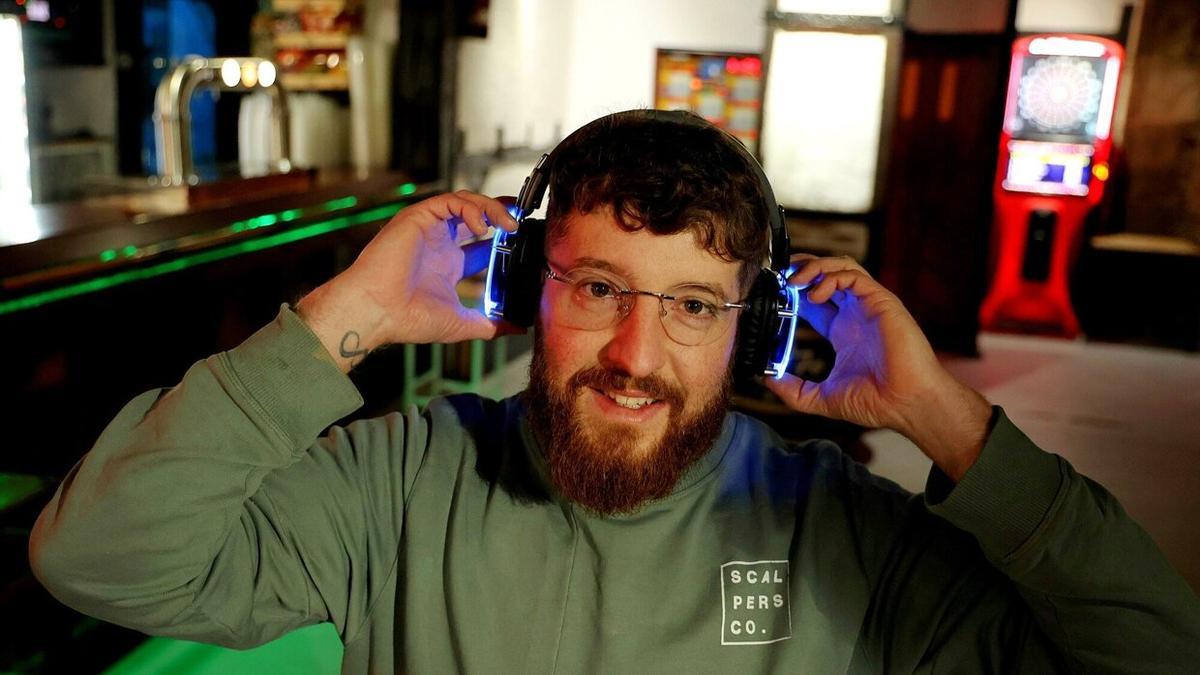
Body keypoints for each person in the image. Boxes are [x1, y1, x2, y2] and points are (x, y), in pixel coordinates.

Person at [29, 110, 1200, 673]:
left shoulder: (843, 537)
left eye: (693, 304)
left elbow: (1153, 655)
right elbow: (100, 558)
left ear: (753, 333)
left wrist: (942, 419)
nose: (637, 353)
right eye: (597, 287)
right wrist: (356, 315)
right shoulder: (404, 483)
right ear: (530, 288)